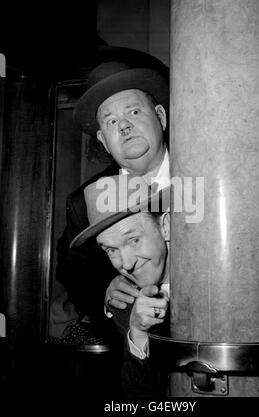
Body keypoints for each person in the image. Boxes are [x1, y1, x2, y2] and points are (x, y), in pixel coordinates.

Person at [54, 55, 169, 338]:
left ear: (161, 117)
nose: (124, 127)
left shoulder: (212, 179)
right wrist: (106, 290)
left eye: (134, 113)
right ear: (104, 141)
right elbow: (71, 271)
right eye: (112, 121)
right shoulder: (84, 202)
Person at [69, 174, 171, 397]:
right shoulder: (123, 307)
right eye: (111, 250)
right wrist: (139, 334)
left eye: (134, 240)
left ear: (166, 226)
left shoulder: (213, 281)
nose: (126, 264)